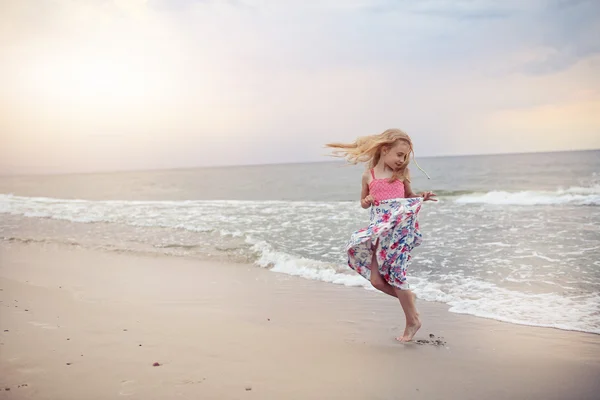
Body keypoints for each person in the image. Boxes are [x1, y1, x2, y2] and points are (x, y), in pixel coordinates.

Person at [326, 128, 437, 342]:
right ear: (385, 150)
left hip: (399, 232)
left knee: (396, 275)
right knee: (376, 280)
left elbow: (409, 197)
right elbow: (363, 202)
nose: (402, 160)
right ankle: (409, 301)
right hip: (379, 232)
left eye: (405, 156)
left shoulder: (400, 175)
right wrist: (366, 201)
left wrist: (421, 197)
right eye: (399, 154)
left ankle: (412, 321)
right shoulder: (369, 175)